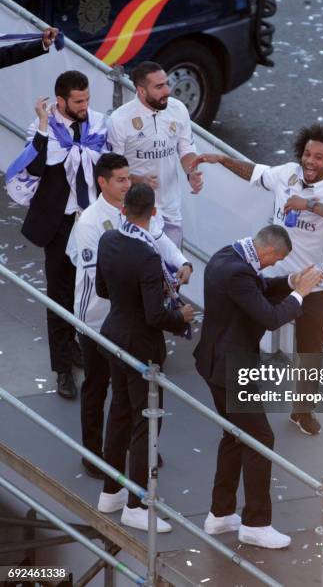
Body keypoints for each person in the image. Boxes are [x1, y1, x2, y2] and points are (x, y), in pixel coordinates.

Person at [192, 124, 323, 435]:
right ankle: (242, 391)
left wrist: (309, 205)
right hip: (271, 279)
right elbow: (256, 172)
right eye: (307, 153)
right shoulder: (288, 173)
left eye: (319, 157)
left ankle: (301, 411)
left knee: (311, 352)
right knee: (245, 334)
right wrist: (222, 160)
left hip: (313, 285)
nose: (310, 161)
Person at [194, 225, 323, 549]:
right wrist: (299, 294)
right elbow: (270, 316)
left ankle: (221, 514)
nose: (271, 266)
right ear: (267, 252)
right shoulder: (239, 273)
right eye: (275, 260)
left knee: (234, 436)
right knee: (260, 439)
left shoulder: (228, 255)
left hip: (214, 363)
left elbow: (260, 286)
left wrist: (288, 282)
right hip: (231, 369)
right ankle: (255, 523)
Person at [67, 153, 193, 478]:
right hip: (95, 319)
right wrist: (149, 290)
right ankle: (92, 453)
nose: (127, 184)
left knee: (128, 394)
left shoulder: (133, 212)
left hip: (124, 316)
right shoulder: (91, 222)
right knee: (97, 387)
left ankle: (140, 447)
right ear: (103, 183)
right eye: (120, 179)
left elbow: (159, 240)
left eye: (128, 178)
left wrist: (182, 264)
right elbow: (98, 279)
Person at [95, 183, 194, 532]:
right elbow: (155, 315)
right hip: (142, 347)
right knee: (146, 421)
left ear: (124, 209)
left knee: (119, 412)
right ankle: (136, 504)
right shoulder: (148, 257)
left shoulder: (108, 241)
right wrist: (180, 318)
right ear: (153, 214)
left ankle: (111, 492)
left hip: (113, 334)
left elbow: (102, 290)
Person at [11, 71, 107, 399]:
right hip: (59, 223)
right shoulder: (43, 128)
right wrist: (41, 125)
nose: (85, 106)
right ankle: (63, 369)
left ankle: (78, 347)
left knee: (90, 290)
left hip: (90, 220)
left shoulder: (96, 124)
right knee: (60, 295)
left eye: (87, 99)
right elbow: (34, 168)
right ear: (61, 100)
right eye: (78, 101)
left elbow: (105, 164)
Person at [107, 61, 202, 247]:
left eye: (166, 83)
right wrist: (138, 180)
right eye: (159, 87)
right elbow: (112, 170)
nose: (167, 90)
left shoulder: (178, 109)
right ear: (141, 91)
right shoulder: (119, 120)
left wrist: (191, 172)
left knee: (174, 272)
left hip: (171, 211)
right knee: (142, 271)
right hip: (137, 211)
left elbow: (185, 148)